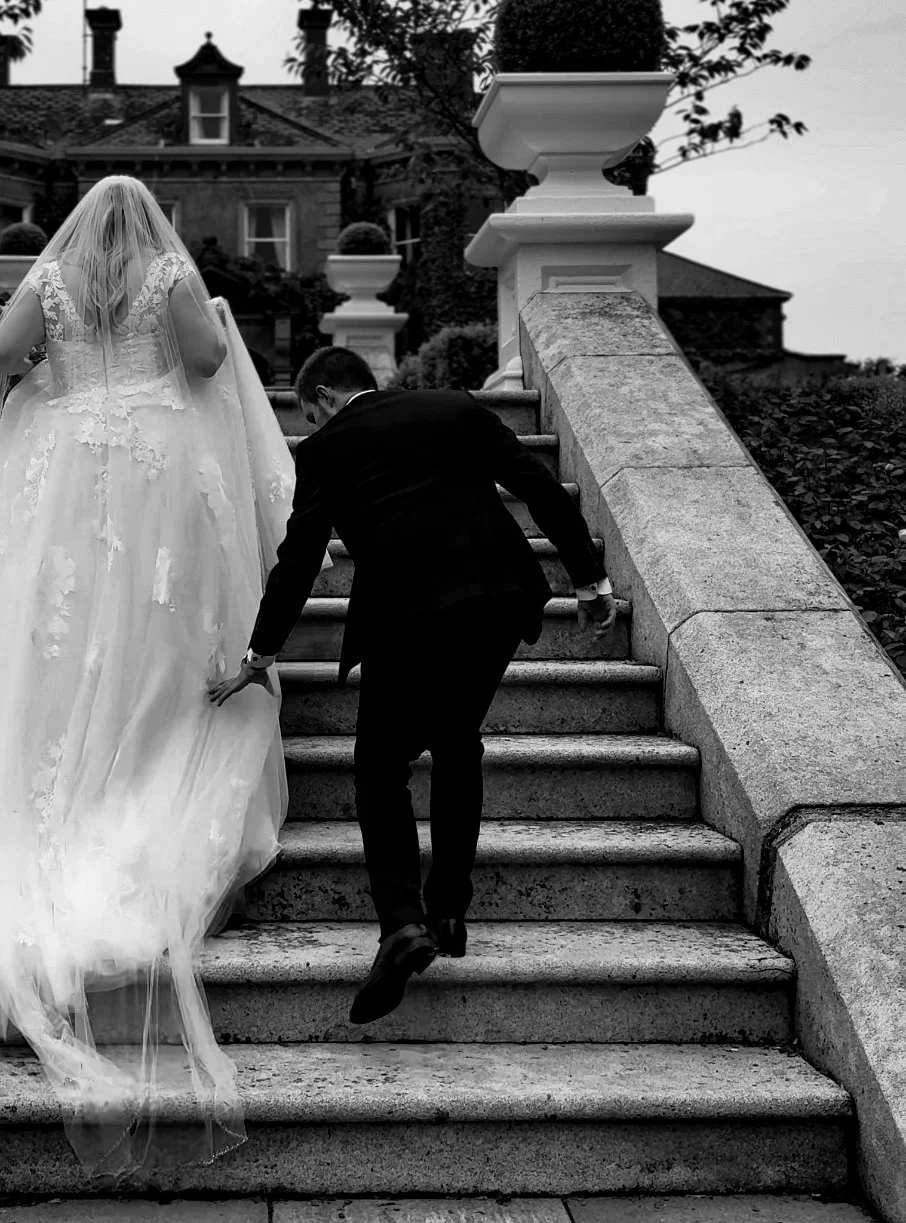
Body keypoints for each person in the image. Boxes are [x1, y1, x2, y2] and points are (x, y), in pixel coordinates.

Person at [0, 175, 327, 1181]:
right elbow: (205, 358)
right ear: (148, 225)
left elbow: (5, 357)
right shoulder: (174, 272)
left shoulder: (49, 280)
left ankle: (63, 795)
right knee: (155, 629)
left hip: (64, 462)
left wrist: (52, 389)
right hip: (156, 459)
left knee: (61, 634)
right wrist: (218, 322)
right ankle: (146, 779)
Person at [211, 345, 616, 1025]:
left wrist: (260, 651)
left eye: (311, 414)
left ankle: (402, 924)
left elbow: (299, 559)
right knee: (458, 742)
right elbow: (538, 484)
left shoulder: (325, 449)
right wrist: (589, 579)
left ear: (322, 400)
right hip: (497, 595)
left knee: (379, 765)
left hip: (404, 614)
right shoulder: (455, 406)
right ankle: (449, 910)